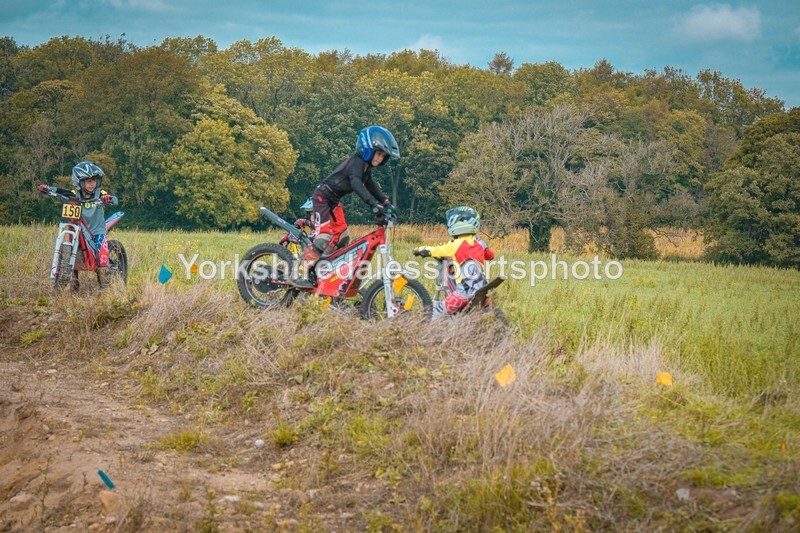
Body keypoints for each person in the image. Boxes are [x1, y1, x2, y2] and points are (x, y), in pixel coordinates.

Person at [290, 126, 400, 288]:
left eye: (383, 156)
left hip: (334, 202)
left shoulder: (365, 168)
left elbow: (370, 185)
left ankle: (320, 267)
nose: (380, 159)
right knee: (325, 236)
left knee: (342, 237)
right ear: (368, 149)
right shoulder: (356, 163)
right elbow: (356, 183)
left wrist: (385, 202)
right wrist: (373, 205)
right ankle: (300, 272)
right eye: (379, 154)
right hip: (322, 198)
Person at [38, 161, 119, 288]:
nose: (92, 184)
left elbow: (114, 199)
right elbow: (60, 191)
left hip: (97, 231)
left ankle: (105, 287)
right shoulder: (73, 195)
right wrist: (48, 189)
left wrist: (107, 199)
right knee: (70, 249)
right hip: (77, 229)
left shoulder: (100, 194)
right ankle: (72, 281)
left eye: (94, 180)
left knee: (102, 259)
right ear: (79, 182)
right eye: (88, 181)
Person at [413, 206, 495, 314]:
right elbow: (490, 256)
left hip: (463, 294)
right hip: (482, 290)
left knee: (436, 314)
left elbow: (435, 250)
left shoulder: (454, 245)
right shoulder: (480, 243)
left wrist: (419, 250)